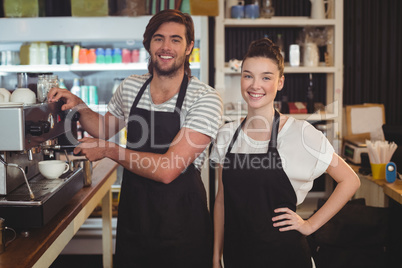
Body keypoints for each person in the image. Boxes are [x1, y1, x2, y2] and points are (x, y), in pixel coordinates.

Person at [48, 9, 223, 267]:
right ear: (148, 44)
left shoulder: (205, 98)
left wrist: (109, 151)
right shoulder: (131, 86)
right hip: (135, 220)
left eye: (176, 39)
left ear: (189, 48)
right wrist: (79, 106)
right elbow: (104, 128)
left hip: (183, 227)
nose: (166, 47)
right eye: (158, 38)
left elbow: (168, 169)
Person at [211, 38, 360, 268]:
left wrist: (310, 225)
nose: (255, 85)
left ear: (280, 82)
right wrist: (215, 255)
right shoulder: (226, 135)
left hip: (285, 257)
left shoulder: (300, 133)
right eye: (248, 75)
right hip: (237, 257)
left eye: (266, 77)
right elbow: (222, 199)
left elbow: (350, 180)